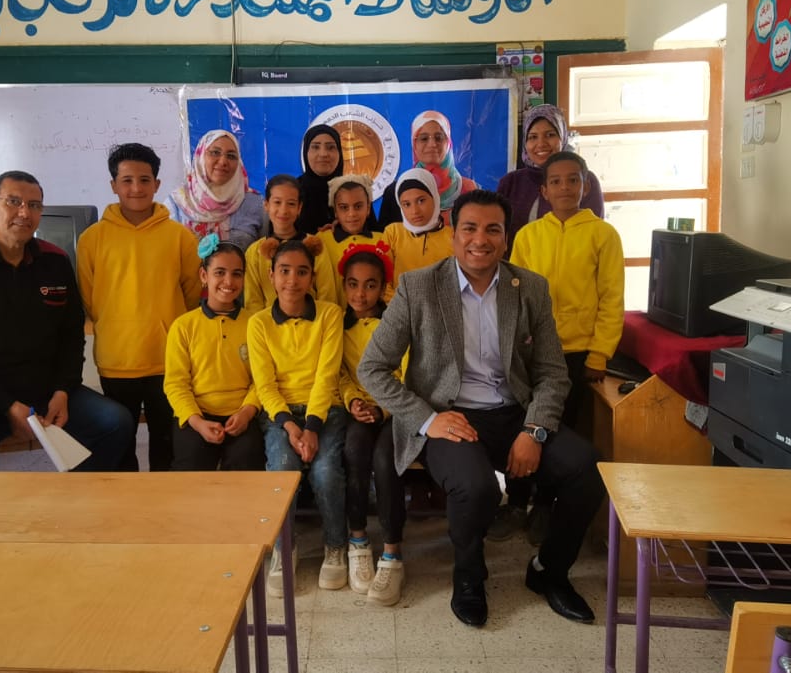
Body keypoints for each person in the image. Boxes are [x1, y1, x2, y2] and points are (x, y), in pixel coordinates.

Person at [357, 188, 606, 628]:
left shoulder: (529, 288)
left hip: (514, 413)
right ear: (454, 235)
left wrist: (534, 430)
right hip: (449, 415)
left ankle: (549, 571)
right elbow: (372, 368)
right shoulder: (419, 287)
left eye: (493, 230)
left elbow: (552, 372)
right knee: (477, 489)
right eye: (470, 228)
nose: (480, 240)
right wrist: (428, 420)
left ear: (506, 238)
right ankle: (469, 577)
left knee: (586, 469)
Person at [0, 170, 134, 472]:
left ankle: (79, 497)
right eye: (13, 202)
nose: (24, 213)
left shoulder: (55, 261)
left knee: (115, 422)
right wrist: (6, 404)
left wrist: (63, 389)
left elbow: (70, 336)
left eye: (34, 205)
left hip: (42, 389)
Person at [502, 151, 624, 544]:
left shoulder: (603, 235)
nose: (564, 188)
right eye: (555, 181)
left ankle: (545, 505)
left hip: (575, 353)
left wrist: (599, 354)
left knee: (557, 432)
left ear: (585, 187)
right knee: (522, 424)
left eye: (573, 180)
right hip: (529, 350)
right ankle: (516, 501)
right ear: (544, 190)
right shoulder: (528, 235)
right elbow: (513, 294)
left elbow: (612, 298)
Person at [79, 143, 203, 472]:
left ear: (157, 184)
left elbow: (192, 294)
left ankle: (164, 502)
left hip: (168, 360)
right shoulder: (92, 239)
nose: (136, 188)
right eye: (127, 180)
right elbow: (90, 298)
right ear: (113, 185)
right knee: (120, 445)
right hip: (116, 360)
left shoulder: (179, 237)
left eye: (145, 180)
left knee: (166, 444)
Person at [248, 238, 349, 598]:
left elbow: (327, 375)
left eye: (302, 272)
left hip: (325, 410)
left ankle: (336, 545)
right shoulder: (259, 323)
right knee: (281, 469)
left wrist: (313, 427)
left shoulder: (329, 315)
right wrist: (292, 427)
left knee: (325, 472)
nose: (293, 280)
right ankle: (283, 547)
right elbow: (264, 385)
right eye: (285, 271)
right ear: (272, 276)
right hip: (281, 415)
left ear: (312, 277)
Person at [337, 242, 408, 606]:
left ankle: (393, 552)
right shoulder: (338, 325)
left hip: (396, 409)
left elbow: (408, 375)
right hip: (360, 409)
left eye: (370, 285)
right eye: (353, 284)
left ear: (383, 288)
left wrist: (383, 408)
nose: (360, 294)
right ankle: (358, 540)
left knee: (385, 460)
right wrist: (353, 401)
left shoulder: (396, 324)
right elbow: (339, 373)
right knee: (354, 450)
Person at [164, 234, 265, 472]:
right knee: (191, 469)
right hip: (196, 415)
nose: (228, 281)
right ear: (203, 276)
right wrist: (197, 421)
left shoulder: (255, 324)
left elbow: (262, 379)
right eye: (219, 272)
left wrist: (247, 412)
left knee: (246, 463)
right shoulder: (183, 326)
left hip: (243, 414)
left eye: (237, 274)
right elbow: (176, 383)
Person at [496, 105, 603, 247]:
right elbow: (497, 233)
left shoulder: (583, 179)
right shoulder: (510, 183)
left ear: (563, 137)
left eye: (550, 135)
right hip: (516, 261)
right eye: (533, 137)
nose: (541, 144)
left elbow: (593, 235)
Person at [244, 174, 339, 314]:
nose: (284, 210)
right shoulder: (255, 252)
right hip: (269, 325)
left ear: (299, 208)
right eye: (277, 202)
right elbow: (253, 302)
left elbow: (327, 294)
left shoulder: (315, 246)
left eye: (291, 204)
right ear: (266, 205)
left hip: (312, 323)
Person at [377, 110, 478, 226]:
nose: (432, 144)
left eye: (439, 137)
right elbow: (386, 236)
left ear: (448, 143)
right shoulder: (396, 192)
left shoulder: (470, 191)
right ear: (414, 144)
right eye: (424, 138)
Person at [169, 130, 266, 250]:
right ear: (201, 155)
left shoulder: (254, 203)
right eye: (215, 153)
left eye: (231, 156)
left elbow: (264, 254)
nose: (223, 161)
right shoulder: (177, 203)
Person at [314, 174, 388, 296]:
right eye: (344, 207)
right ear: (335, 211)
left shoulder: (383, 240)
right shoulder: (321, 241)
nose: (352, 214)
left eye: (358, 206)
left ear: (368, 208)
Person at [296, 124, 375, 236]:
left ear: (339, 152)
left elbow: (374, 235)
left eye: (331, 147)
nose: (323, 154)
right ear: (306, 152)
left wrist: (347, 229)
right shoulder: (293, 190)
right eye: (315, 147)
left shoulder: (355, 189)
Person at [382, 168, 454, 277]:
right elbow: (382, 278)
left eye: (421, 201)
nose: (415, 211)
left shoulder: (453, 237)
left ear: (434, 197)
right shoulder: (393, 233)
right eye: (407, 204)